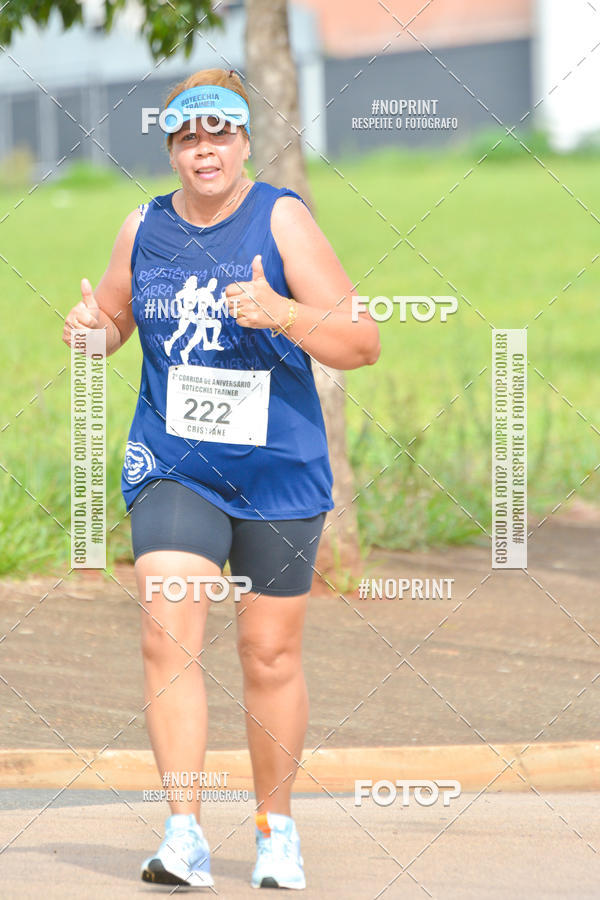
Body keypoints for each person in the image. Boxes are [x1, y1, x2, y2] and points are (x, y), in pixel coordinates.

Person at [62, 67, 380, 890]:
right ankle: (184, 834)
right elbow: (114, 322)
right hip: (176, 463)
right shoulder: (144, 227)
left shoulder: (282, 218)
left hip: (278, 469)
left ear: (244, 141)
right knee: (166, 625)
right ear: (172, 147)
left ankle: (277, 831)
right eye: (188, 136)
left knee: (268, 653)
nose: (205, 149)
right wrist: (89, 332)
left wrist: (281, 313)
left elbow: (359, 341)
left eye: (221, 134)